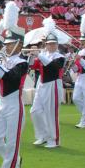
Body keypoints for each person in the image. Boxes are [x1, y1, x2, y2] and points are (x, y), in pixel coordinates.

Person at [0, 2, 29, 168]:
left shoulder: (22, 62)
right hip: (2, 103)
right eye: (7, 44)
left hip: (14, 105)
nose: (7, 46)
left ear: (19, 45)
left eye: (11, 44)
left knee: (12, 142)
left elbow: (11, 78)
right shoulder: (3, 60)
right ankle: (15, 160)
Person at [31, 18, 66, 148]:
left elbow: (53, 67)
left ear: (57, 45)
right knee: (35, 111)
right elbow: (32, 66)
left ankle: (54, 140)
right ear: (46, 44)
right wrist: (31, 55)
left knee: (51, 114)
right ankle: (42, 136)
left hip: (53, 85)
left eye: (53, 44)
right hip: (41, 84)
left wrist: (39, 55)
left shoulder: (60, 57)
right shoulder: (43, 54)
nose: (51, 46)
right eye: (49, 44)